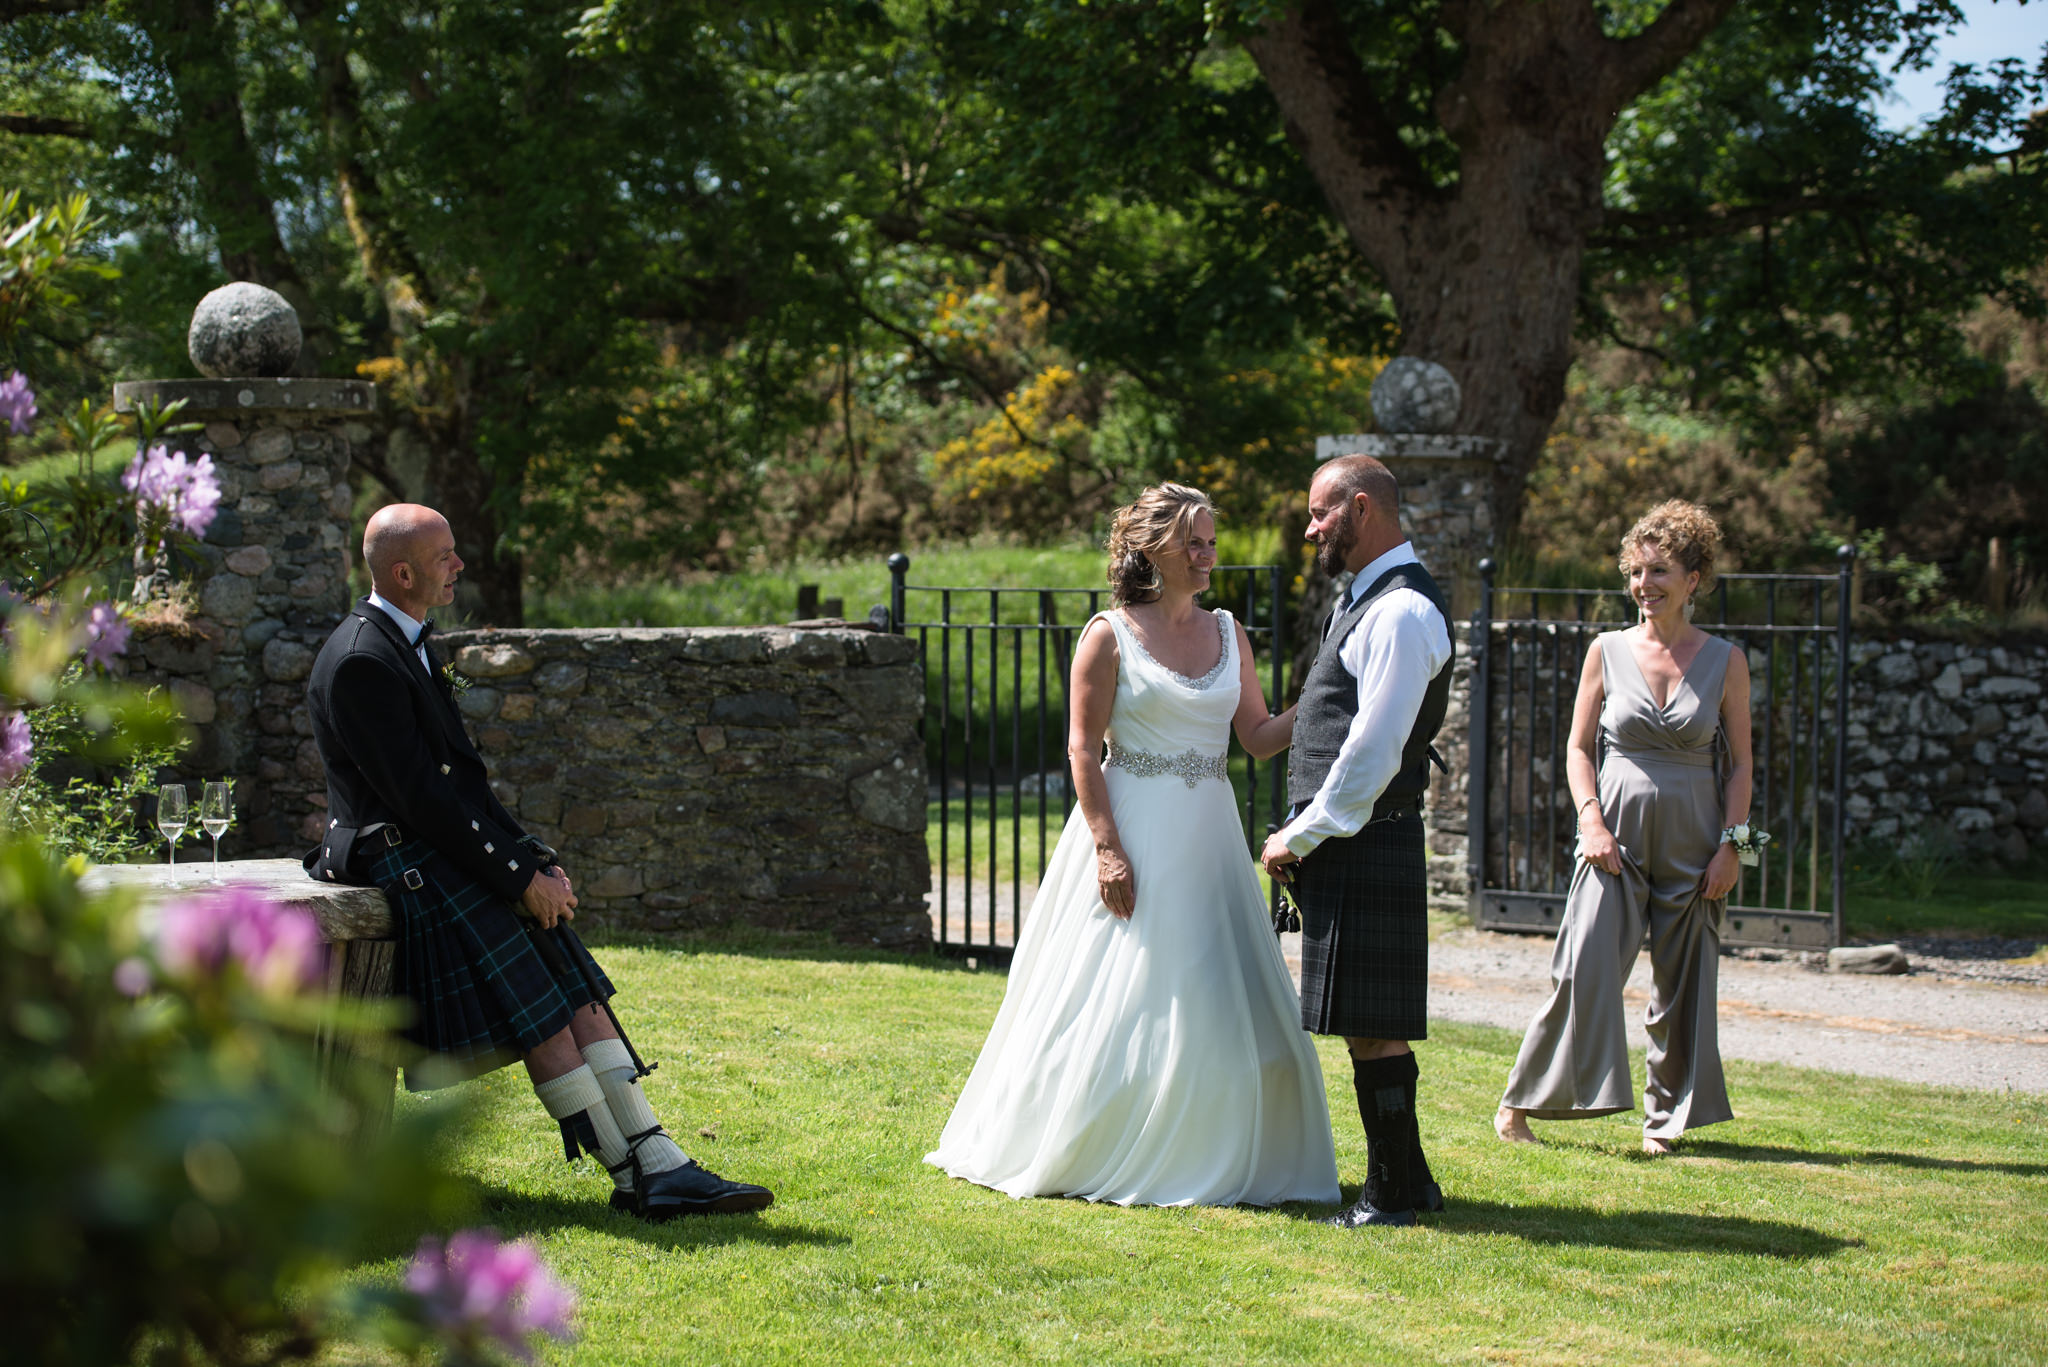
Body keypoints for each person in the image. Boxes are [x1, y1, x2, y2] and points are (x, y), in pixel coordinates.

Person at [304, 503, 774, 1220]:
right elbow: (421, 799)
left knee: (576, 991)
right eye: (444, 556)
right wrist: (516, 877)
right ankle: (634, 1171)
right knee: (544, 1012)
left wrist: (532, 861)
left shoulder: (405, 643)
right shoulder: (362, 659)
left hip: (445, 852)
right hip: (405, 861)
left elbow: (464, 783)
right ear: (403, 572)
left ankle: (659, 1158)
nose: (458, 564)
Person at [925, 483, 1339, 1208]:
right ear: (1154, 549)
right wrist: (1107, 848)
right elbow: (1083, 749)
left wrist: (1330, 695)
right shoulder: (1107, 634)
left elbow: (1259, 737)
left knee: (1219, 993)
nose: (1208, 555)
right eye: (1195, 542)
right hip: (1133, 830)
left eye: (1211, 541)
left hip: (1210, 837)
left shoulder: (1228, 632)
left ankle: (1217, 1147)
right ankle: (1088, 1138)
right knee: (1116, 998)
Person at [1494, 499, 1753, 1155]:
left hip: (1697, 843)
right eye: (1637, 571)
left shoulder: (1726, 660)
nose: (1645, 585)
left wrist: (1735, 847)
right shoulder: (1606, 651)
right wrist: (1591, 824)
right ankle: (1520, 1101)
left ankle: (1664, 1122)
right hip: (1612, 838)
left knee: (1684, 986)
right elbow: (1580, 749)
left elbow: (1744, 766)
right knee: (1582, 965)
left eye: (1660, 570)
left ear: (1695, 578)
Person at [1260, 454, 1455, 1230]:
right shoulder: (1368, 598)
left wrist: (1298, 835)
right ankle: (1412, 1182)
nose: (1311, 529)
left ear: (1362, 508)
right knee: (1367, 1023)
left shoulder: (1402, 611)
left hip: (1366, 832)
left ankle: (1392, 1194)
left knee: (1373, 1026)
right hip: (1358, 838)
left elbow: (1371, 752)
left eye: (1319, 513)